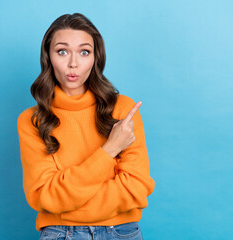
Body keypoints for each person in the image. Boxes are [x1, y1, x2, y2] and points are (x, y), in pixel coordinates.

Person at [17, 13, 155, 240]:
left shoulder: (123, 109)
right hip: (60, 234)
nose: (73, 63)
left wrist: (69, 207)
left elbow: (136, 187)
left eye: (84, 52)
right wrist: (109, 149)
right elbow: (45, 196)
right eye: (62, 51)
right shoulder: (33, 120)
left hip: (121, 233)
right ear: (48, 57)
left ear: (95, 57)